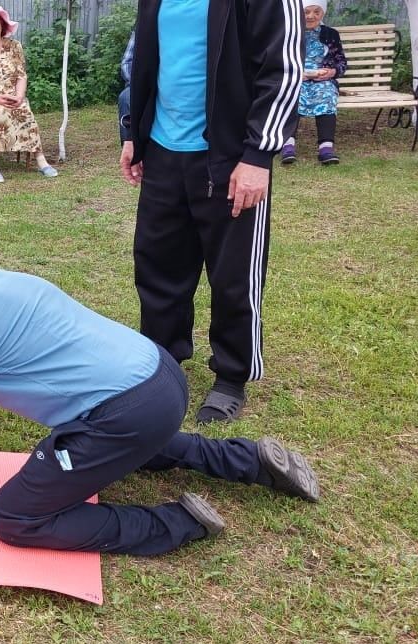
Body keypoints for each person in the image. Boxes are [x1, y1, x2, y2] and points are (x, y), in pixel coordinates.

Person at [0, 235, 319, 556]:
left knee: (13, 516)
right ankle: (252, 460)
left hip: (128, 411)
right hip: (158, 381)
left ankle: (175, 522)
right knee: (114, 441)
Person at [120, 0, 302, 423]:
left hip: (230, 155)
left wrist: (258, 155)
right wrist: (135, 132)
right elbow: (144, 59)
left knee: (233, 273)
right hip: (165, 150)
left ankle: (231, 376)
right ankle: (163, 364)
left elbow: (284, 68)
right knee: (158, 266)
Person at [0, 4, 57, 182]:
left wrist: (19, 96)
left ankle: (41, 160)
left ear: (3, 25)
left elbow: (21, 76)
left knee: (23, 107)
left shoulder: (15, 46)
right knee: (1, 109)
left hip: (11, 97)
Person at [282, 0, 348, 166]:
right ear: (299, 13)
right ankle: (287, 145)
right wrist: (295, 73)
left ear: (322, 14)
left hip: (322, 80)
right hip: (296, 78)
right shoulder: (288, 32)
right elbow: (279, 60)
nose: (311, 16)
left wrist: (332, 72)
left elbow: (341, 62)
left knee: (327, 94)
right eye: (306, 12)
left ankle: (326, 148)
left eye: (316, 12)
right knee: (292, 92)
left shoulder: (331, 34)